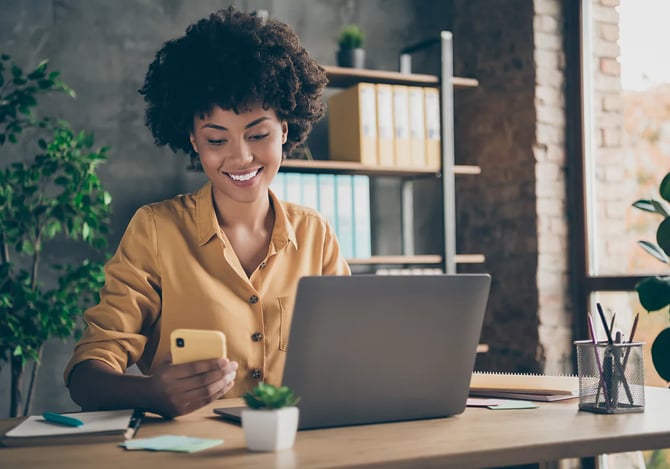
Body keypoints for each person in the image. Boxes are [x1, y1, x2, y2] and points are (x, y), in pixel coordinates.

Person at [65, 6, 350, 419]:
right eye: (217, 139)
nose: (241, 156)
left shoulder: (315, 234)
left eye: (258, 134)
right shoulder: (156, 230)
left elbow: (351, 353)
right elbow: (85, 378)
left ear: (285, 130)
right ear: (193, 141)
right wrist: (150, 393)